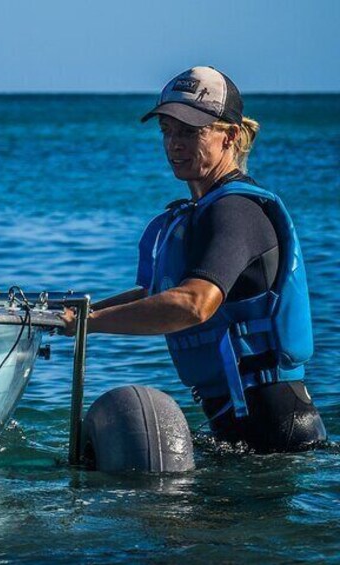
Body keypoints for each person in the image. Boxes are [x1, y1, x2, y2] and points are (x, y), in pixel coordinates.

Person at [59, 66, 326, 453]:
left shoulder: (235, 210)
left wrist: (92, 324)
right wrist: (79, 314)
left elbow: (194, 304)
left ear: (229, 136)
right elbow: (158, 294)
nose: (174, 144)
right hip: (247, 428)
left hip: (277, 432)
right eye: (167, 130)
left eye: (190, 130)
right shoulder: (206, 209)